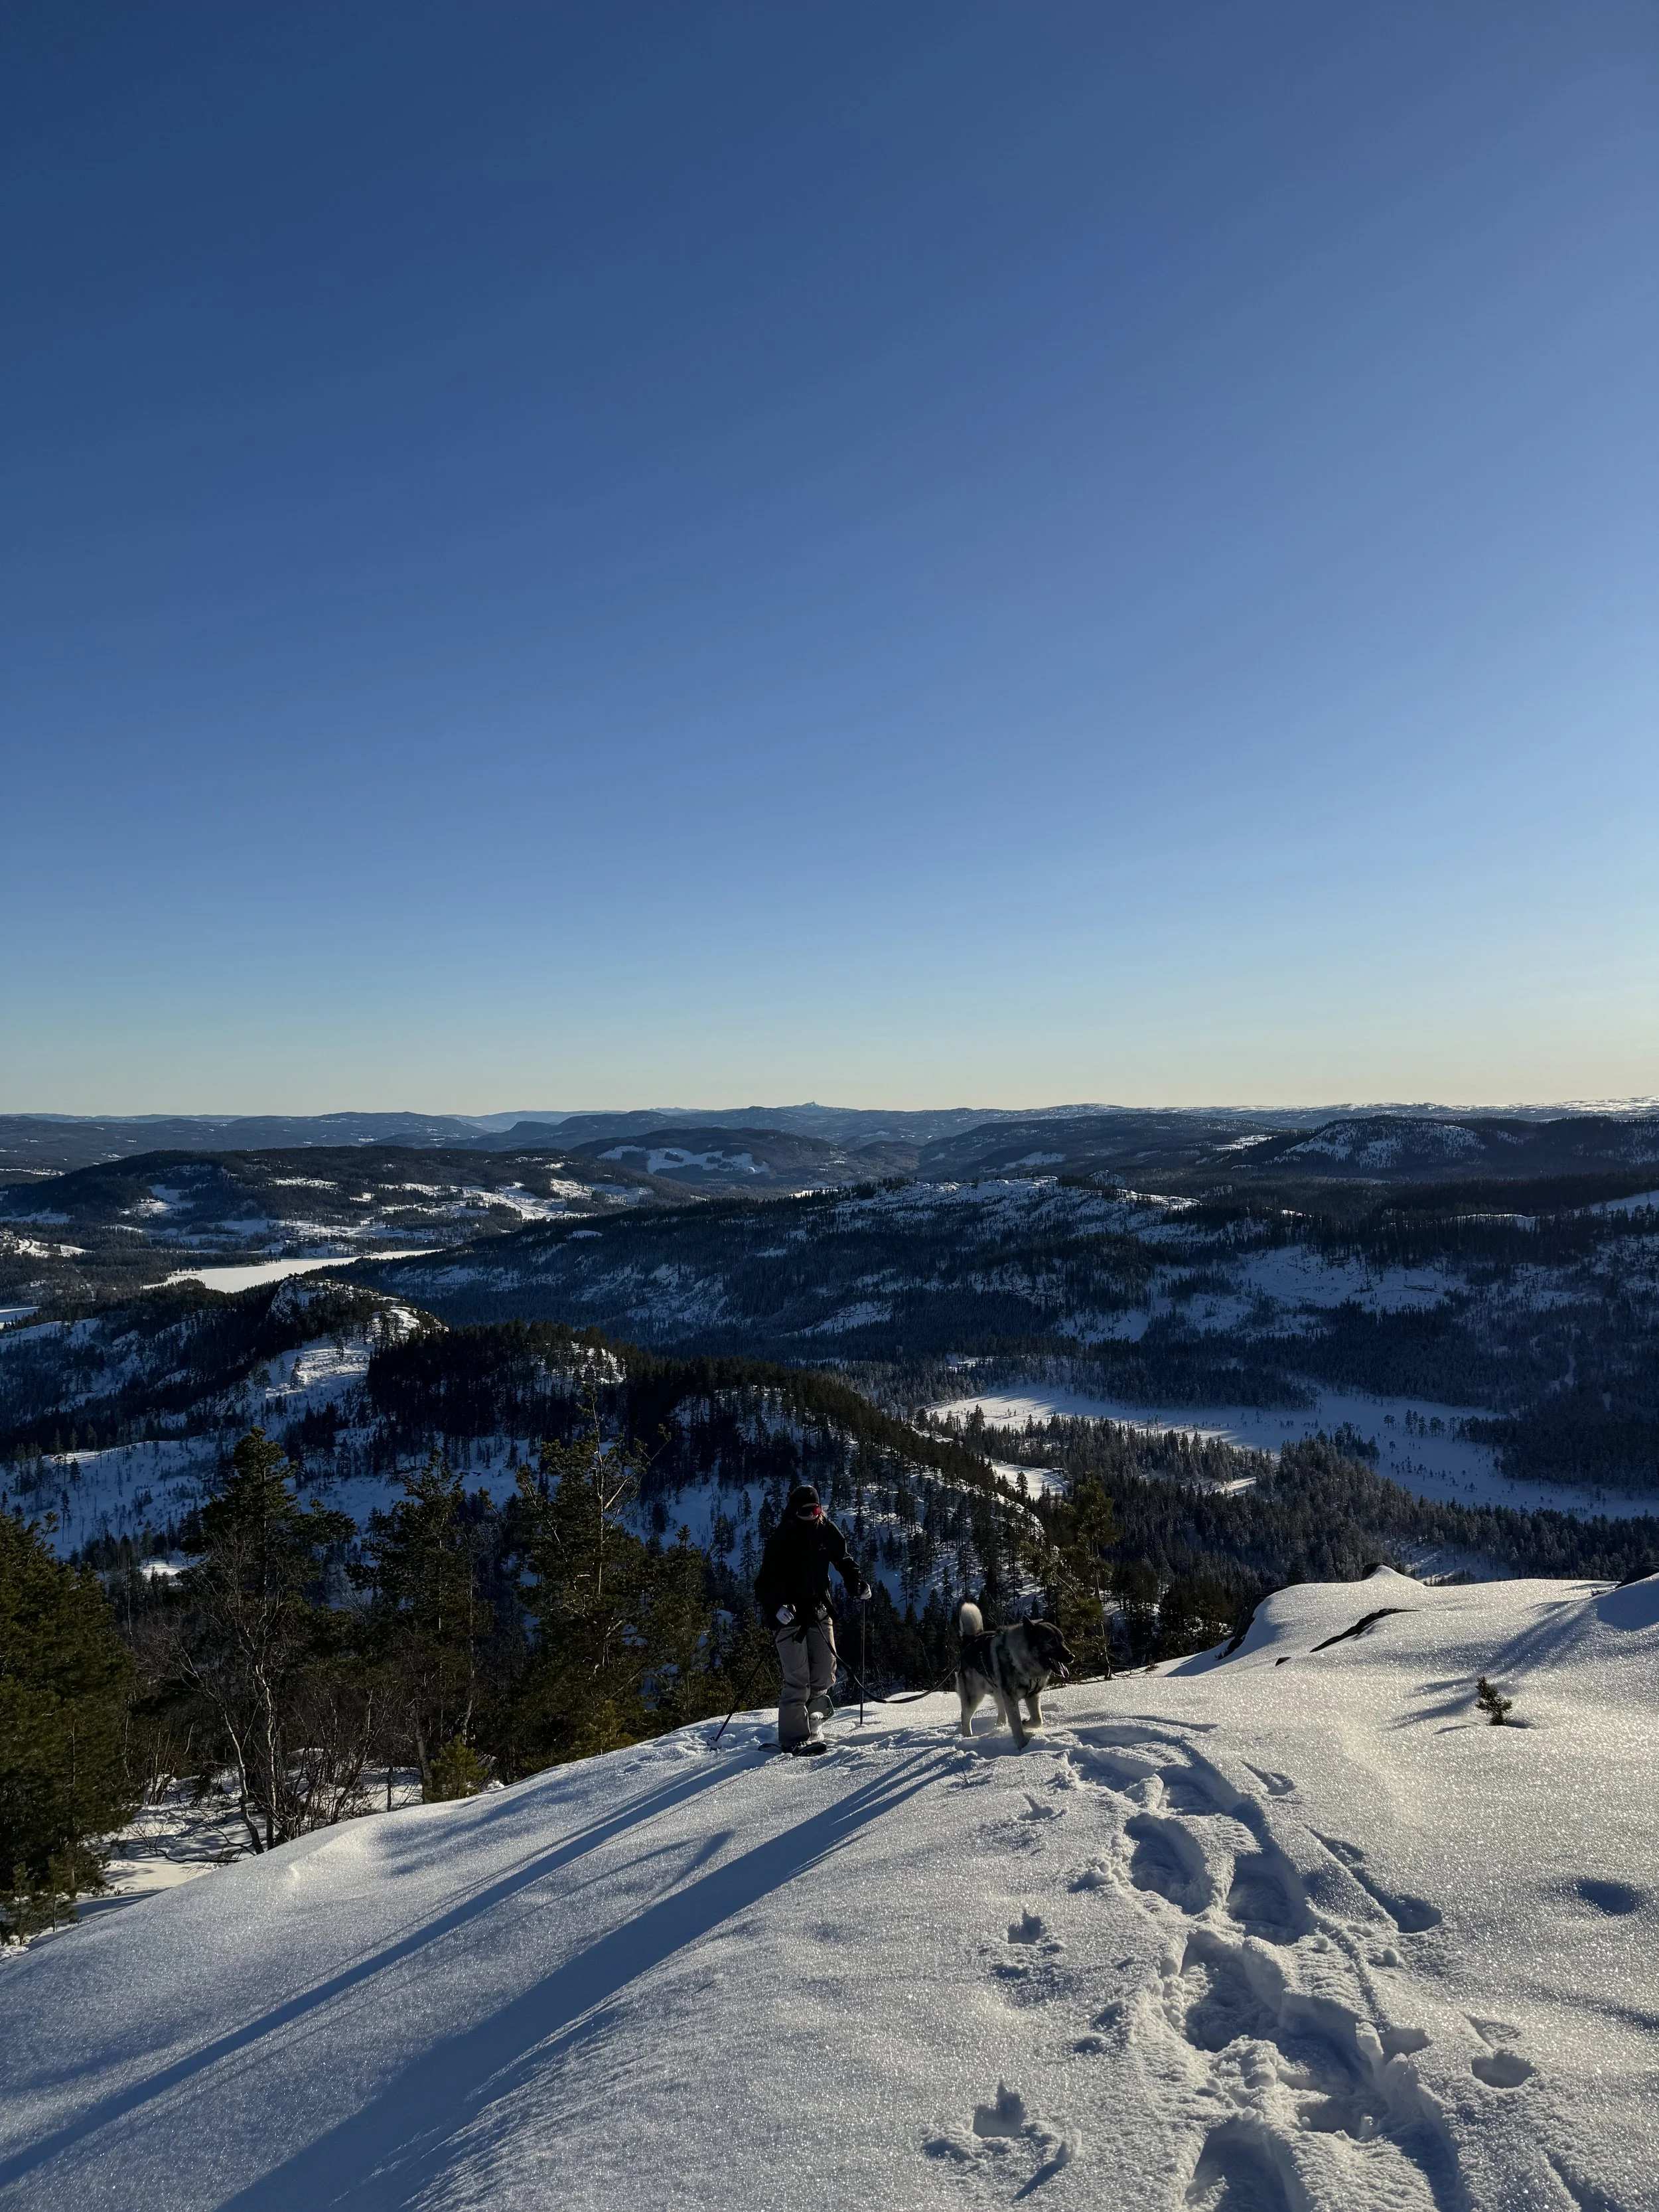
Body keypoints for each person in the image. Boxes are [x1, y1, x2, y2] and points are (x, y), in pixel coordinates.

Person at [754, 1483, 869, 1755]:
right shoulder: (781, 1539)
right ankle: (794, 1738)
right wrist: (775, 1609)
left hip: (819, 1611)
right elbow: (763, 1584)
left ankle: (814, 1722)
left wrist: (858, 1586)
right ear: (794, 1511)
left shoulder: (827, 1532)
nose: (810, 1515)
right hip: (789, 1617)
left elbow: (844, 1561)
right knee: (797, 1679)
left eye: (815, 1510)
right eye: (804, 1511)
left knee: (825, 1672)